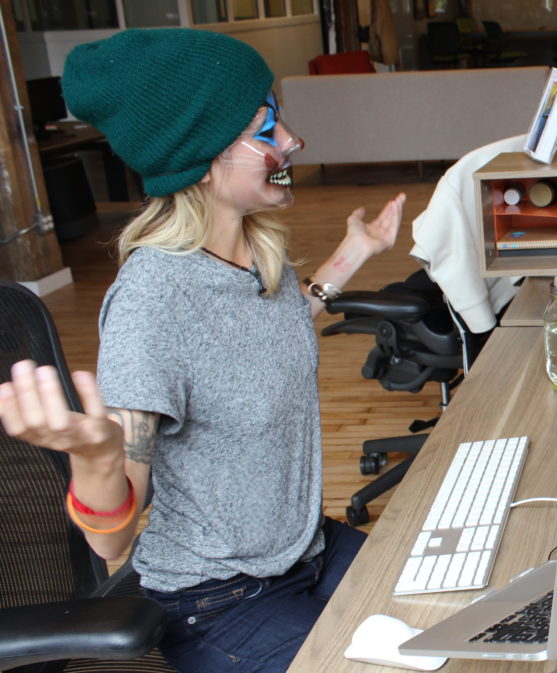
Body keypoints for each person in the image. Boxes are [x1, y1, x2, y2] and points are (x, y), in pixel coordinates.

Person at [0, 29, 405, 673]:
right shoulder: (152, 304)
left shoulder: (249, 251)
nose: (292, 140)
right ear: (201, 154)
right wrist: (97, 455)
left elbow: (254, 342)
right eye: (266, 127)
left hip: (304, 549)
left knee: (445, 613)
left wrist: (353, 252)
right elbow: (111, 542)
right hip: (218, 600)